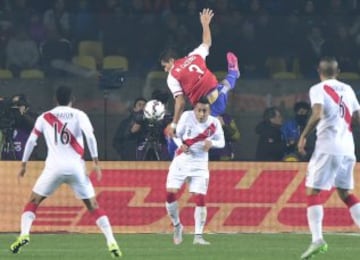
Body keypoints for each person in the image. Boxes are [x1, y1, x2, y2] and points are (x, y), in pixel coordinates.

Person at [9, 86, 122, 258]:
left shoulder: (44, 117)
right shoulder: (79, 115)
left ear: (55, 99)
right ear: (72, 99)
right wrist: (96, 160)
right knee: (93, 206)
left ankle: (25, 234)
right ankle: (111, 241)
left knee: (33, 201)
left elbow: (32, 141)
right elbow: (90, 136)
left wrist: (24, 164)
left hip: (53, 168)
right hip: (76, 168)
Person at [298, 57, 360, 260]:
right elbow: (357, 117)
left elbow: (317, 114)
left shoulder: (318, 88)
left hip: (328, 147)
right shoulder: (349, 89)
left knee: (313, 191)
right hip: (348, 148)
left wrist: (304, 135)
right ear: (338, 71)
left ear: (319, 71)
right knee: (345, 192)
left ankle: (317, 239)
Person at [160, 8, 240, 138]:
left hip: (204, 107)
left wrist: (174, 123)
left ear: (171, 60)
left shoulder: (172, 76)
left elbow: (180, 102)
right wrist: (205, 24)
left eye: (165, 66)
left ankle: (224, 128)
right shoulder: (194, 56)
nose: (165, 69)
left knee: (192, 133)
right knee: (224, 87)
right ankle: (233, 73)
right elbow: (207, 42)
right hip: (217, 94)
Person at [165, 97, 225, 245]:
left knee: (199, 198)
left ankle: (198, 236)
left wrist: (212, 143)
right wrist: (181, 145)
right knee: (170, 193)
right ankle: (177, 225)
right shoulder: (186, 116)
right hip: (182, 160)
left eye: (205, 110)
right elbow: (176, 135)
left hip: (200, 163)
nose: (202, 114)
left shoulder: (214, 122)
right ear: (194, 110)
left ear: (209, 110)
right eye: (199, 110)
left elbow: (222, 142)